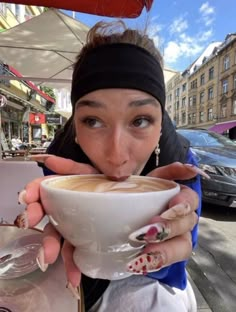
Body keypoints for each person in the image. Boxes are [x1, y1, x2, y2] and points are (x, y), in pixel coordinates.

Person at [15, 21, 208, 312]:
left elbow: (177, 256)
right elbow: (63, 238)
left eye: (140, 120)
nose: (117, 155)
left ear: (159, 127)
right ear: (76, 129)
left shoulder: (181, 164)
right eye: (93, 121)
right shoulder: (60, 161)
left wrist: (163, 253)